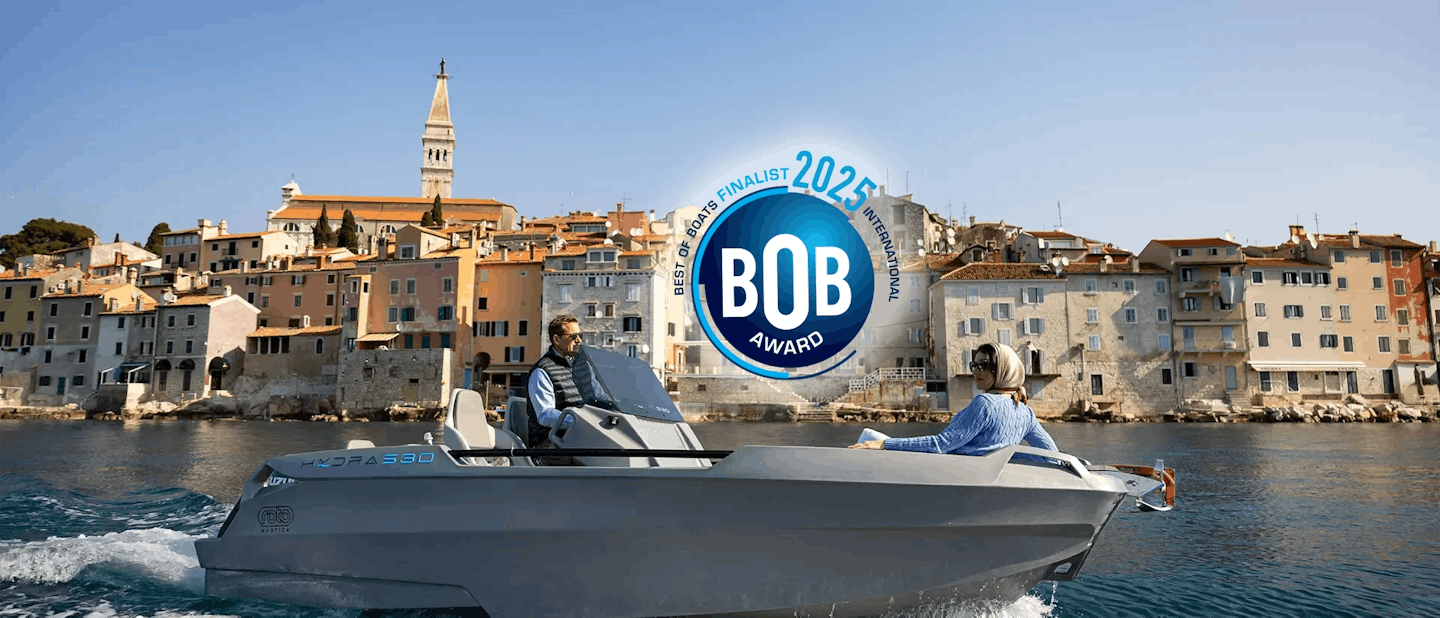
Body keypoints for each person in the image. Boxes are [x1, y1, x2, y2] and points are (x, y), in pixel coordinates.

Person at [849, 343, 1057, 456]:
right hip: (977, 476)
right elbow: (1050, 454)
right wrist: (1011, 458)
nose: (976, 371)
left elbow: (941, 444)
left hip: (947, 471)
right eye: (973, 365)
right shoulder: (1025, 412)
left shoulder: (985, 404)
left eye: (983, 365)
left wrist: (885, 444)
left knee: (869, 436)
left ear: (1002, 369)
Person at [526, 315, 585, 455]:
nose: (579, 340)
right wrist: (582, 422)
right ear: (557, 339)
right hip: (549, 445)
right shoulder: (541, 371)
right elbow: (545, 415)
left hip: (577, 438)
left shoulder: (581, 367)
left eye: (580, 335)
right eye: (574, 336)